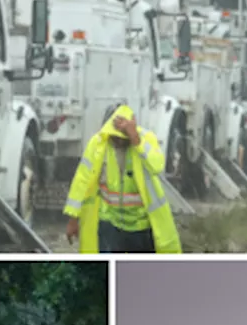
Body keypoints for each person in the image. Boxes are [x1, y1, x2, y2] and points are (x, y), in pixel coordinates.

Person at [63, 105, 182, 253]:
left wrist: (136, 140)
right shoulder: (99, 143)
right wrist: (73, 219)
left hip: (140, 227)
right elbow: (82, 180)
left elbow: (157, 165)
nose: (118, 141)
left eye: (122, 136)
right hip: (110, 224)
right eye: (115, 136)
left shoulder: (145, 139)